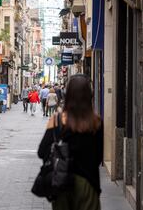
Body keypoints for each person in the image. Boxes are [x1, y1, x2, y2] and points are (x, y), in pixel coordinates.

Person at [37, 74, 103, 210]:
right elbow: (98, 157)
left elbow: (42, 151)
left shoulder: (57, 120)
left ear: (68, 94)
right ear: (89, 95)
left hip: (62, 182)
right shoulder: (96, 122)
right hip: (88, 183)